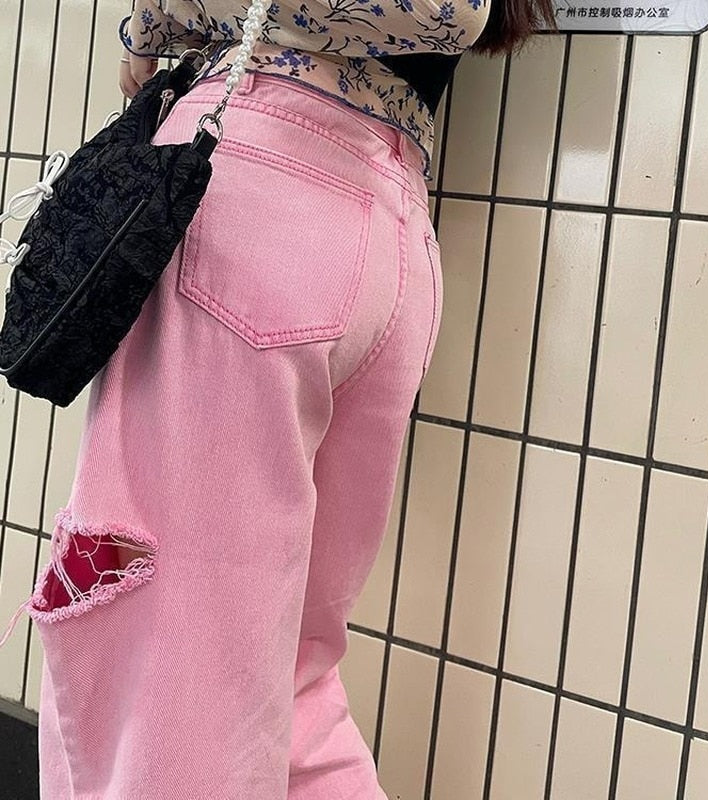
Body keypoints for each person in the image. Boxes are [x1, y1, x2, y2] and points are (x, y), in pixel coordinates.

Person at [2, 0, 554, 797]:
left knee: (168, 676)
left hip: (256, 204)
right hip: (388, 219)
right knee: (288, 691)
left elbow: (445, 9)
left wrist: (154, 19)